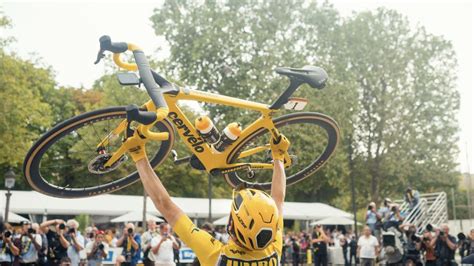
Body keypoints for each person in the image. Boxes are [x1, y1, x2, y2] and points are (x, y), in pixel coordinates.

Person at [123, 127, 290, 264]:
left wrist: (278, 157)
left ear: (231, 226)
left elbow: (278, 200)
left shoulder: (218, 254)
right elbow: (165, 206)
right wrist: (138, 156)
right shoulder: (271, 252)